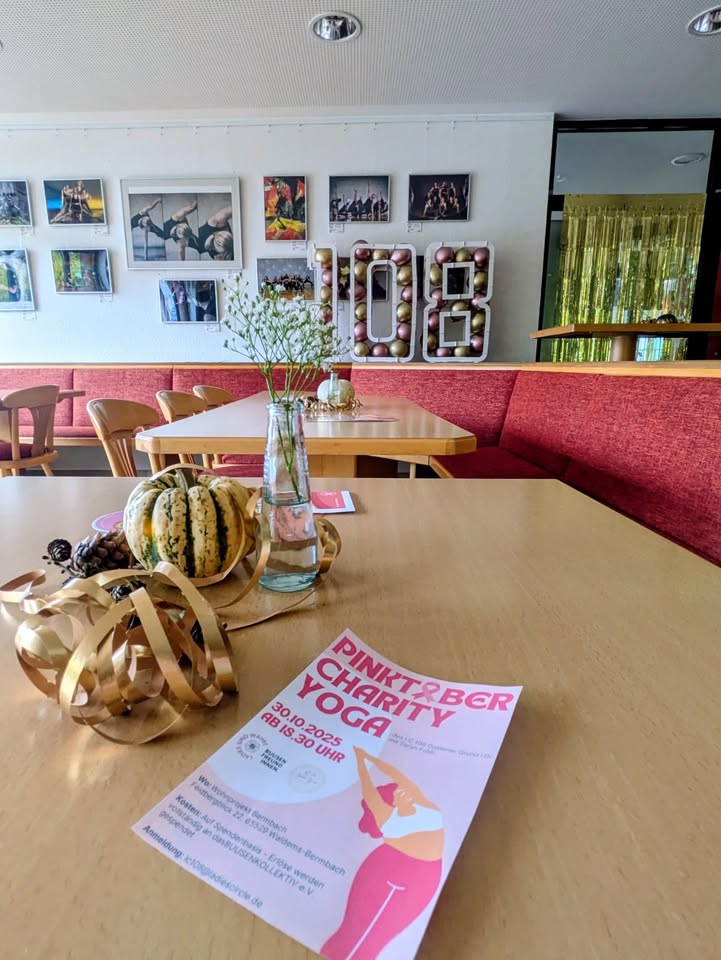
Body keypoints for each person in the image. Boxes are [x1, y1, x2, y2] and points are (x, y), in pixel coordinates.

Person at [321, 747, 444, 960]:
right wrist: (362, 765)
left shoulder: (426, 806)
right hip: (388, 871)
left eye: (403, 789)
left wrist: (370, 758)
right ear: (392, 803)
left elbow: (397, 775)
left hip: (423, 875)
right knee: (355, 932)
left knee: (376, 939)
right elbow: (369, 790)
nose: (403, 791)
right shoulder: (388, 817)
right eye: (398, 794)